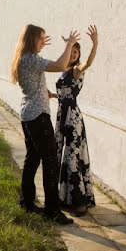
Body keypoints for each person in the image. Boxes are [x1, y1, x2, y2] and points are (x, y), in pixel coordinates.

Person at [11, 24, 79, 225]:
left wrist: (45, 93)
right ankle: (52, 210)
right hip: (38, 117)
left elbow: (33, 83)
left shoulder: (25, 58)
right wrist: (69, 45)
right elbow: (59, 66)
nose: (44, 41)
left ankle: (27, 202)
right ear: (32, 39)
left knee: (32, 159)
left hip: (28, 115)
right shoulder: (31, 59)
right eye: (41, 38)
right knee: (50, 161)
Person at [54, 25, 99, 215]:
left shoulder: (77, 70)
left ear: (78, 54)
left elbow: (88, 63)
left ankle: (79, 201)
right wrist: (51, 94)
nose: (72, 54)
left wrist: (95, 43)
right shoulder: (65, 69)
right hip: (61, 115)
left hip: (72, 118)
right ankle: (65, 197)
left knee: (72, 157)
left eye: (75, 52)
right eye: (71, 51)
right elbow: (64, 93)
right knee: (61, 156)